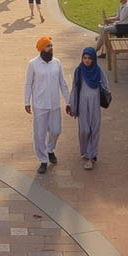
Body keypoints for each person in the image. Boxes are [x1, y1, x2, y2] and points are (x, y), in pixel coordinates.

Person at [24, 37, 66, 174]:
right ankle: (43, 159)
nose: (51, 48)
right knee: (40, 133)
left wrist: (69, 101)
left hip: (54, 103)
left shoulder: (57, 63)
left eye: (52, 45)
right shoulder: (33, 64)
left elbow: (63, 83)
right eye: (48, 46)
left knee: (56, 130)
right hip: (39, 104)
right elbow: (28, 83)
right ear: (42, 48)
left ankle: (50, 149)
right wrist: (27, 101)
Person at [67, 46, 107, 170]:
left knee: (94, 128)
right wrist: (71, 105)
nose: (87, 60)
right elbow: (74, 89)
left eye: (90, 58)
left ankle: (91, 156)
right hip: (82, 104)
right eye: (85, 58)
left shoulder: (98, 71)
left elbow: (106, 86)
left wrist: (103, 92)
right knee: (84, 130)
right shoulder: (79, 71)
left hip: (95, 104)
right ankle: (85, 150)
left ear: (94, 59)